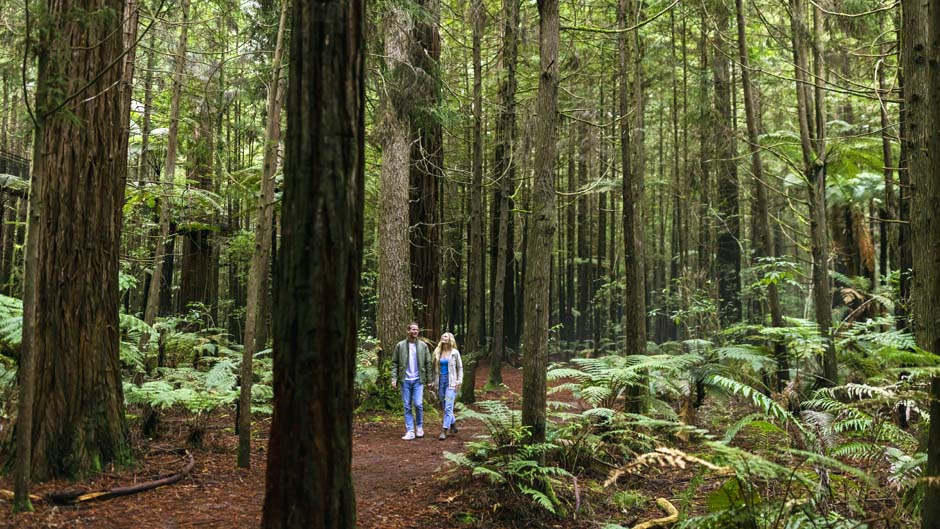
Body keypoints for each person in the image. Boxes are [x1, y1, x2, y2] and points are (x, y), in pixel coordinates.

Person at [391, 322, 432, 440]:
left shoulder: (423, 346)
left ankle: (419, 426)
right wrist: (394, 379)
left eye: (417, 330)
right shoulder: (400, 345)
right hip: (405, 380)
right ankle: (410, 431)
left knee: (418, 404)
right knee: (407, 406)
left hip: (418, 380)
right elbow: (394, 363)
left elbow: (428, 363)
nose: (415, 332)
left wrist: (429, 380)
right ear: (408, 331)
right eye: (413, 329)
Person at [431, 332, 463, 440]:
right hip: (440, 382)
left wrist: (459, 381)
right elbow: (434, 369)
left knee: (449, 406)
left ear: (450, 339)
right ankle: (453, 424)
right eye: (442, 336)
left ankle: (444, 430)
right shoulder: (437, 352)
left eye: (446, 336)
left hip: (451, 383)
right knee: (444, 406)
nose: (443, 337)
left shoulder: (455, 353)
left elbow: (460, 368)